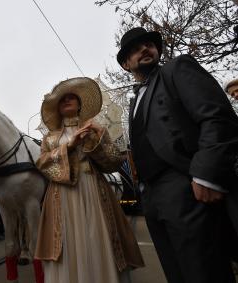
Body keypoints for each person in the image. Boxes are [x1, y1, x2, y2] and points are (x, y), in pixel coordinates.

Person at [117, 27, 238, 283]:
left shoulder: (177, 68)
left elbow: (217, 117)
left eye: (149, 44)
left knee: (203, 272)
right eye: (134, 49)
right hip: (150, 196)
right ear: (126, 64)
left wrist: (206, 175)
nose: (144, 49)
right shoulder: (134, 101)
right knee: (176, 272)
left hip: (185, 186)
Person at [35, 77, 144, 283]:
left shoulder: (96, 130)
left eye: (71, 98)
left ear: (79, 105)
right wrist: (69, 145)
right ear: (58, 108)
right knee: (67, 241)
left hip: (93, 190)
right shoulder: (49, 138)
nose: (67, 100)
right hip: (62, 197)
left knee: (96, 236)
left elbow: (112, 163)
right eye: (62, 99)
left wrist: (97, 141)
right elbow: (42, 165)